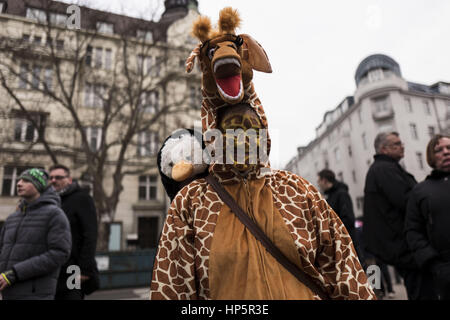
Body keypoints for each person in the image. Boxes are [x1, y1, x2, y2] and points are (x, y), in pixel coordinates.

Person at [150, 103, 376, 300]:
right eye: (233, 131)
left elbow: (344, 268)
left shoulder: (297, 190)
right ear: (216, 139)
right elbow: (174, 286)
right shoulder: (191, 202)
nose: (243, 140)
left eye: (251, 130)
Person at [363, 131, 425, 299]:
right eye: (396, 144)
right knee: (420, 287)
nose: (402, 146)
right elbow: (406, 201)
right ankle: (385, 291)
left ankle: (386, 290)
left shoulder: (384, 168)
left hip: (392, 243)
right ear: (383, 149)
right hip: (400, 242)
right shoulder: (385, 169)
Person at [0, 168, 71, 300]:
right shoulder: (12, 218)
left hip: (35, 294)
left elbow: (59, 253)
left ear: (39, 185)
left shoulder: (55, 215)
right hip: (7, 293)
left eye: (26, 180)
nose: (19, 183)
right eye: (19, 179)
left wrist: (14, 274)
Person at [405, 134, 450, 300]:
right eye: (439, 150)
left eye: (449, 148)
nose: (446, 152)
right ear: (431, 157)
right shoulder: (420, 191)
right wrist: (435, 265)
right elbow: (412, 231)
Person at [49, 164, 99, 300]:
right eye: (51, 177)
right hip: (52, 269)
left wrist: (84, 270)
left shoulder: (82, 199)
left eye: (58, 177)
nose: (53, 180)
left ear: (69, 180)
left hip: (73, 268)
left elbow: (90, 235)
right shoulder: (50, 201)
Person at [317, 169, 356, 239]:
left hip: (348, 241)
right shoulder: (330, 196)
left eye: (319, 181)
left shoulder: (342, 194)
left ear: (324, 180)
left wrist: (329, 229)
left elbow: (348, 220)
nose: (318, 184)